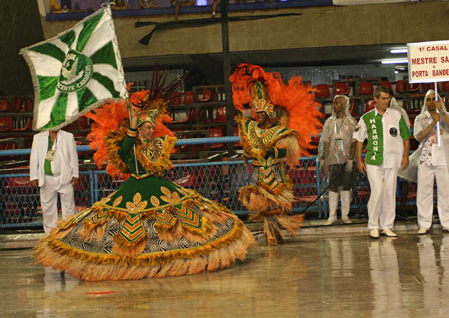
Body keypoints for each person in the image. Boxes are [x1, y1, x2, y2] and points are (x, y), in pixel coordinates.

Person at [33, 87, 254, 281]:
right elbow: (125, 147)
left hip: (158, 185)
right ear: (138, 129)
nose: (150, 130)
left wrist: (148, 117)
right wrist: (132, 126)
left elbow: (158, 153)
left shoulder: (156, 142)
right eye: (146, 128)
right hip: (135, 186)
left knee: (179, 220)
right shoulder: (129, 144)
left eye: (151, 127)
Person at [230, 64, 322, 245]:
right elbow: (248, 148)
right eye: (257, 112)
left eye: (262, 113)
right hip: (258, 174)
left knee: (275, 206)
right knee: (263, 206)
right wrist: (249, 154)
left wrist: (271, 151)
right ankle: (270, 233)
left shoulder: (280, 130)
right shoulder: (251, 128)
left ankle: (274, 232)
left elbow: (287, 152)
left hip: (275, 172)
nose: (258, 115)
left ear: (269, 114)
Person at [354, 86, 410, 239]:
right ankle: (373, 225)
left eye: (388, 98)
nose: (386, 101)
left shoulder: (397, 115)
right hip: (373, 160)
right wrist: (359, 160)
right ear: (375, 100)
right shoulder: (366, 118)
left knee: (389, 193)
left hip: (393, 160)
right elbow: (359, 140)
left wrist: (405, 157)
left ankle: (387, 226)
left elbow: (406, 136)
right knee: (377, 191)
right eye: (384, 98)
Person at [401, 91, 449, 234]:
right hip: (426, 159)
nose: (432, 102)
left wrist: (442, 114)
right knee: (424, 192)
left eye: (434, 99)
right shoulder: (420, 118)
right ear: (425, 102)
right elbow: (418, 137)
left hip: (443, 159)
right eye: (428, 99)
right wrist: (433, 122)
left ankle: (447, 222)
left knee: (446, 191)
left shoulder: (445, 115)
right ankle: (424, 223)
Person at [30, 129, 79, 234]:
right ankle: (50, 234)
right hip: (46, 178)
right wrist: (33, 176)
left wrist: (75, 174)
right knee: (47, 208)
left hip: (65, 176)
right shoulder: (38, 138)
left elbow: (73, 156)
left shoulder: (68, 136)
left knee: (69, 206)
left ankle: (69, 233)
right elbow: (34, 158)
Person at [319, 95, 357, 225]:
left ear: (344, 105)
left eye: (337, 103)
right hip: (333, 159)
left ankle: (345, 215)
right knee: (332, 186)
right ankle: (332, 215)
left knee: (347, 186)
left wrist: (351, 159)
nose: (334, 106)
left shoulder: (351, 122)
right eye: (334, 103)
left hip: (347, 159)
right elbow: (324, 141)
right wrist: (323, 158)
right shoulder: (329, 122)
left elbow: (354, 142)